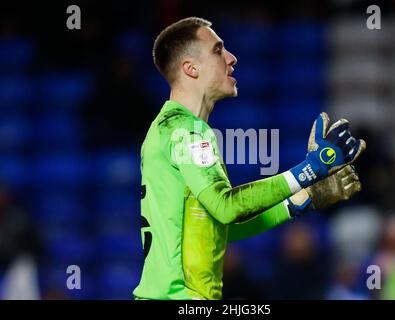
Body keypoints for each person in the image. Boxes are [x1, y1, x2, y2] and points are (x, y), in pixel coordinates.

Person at [133, 17, 366, 300]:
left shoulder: (169, 128)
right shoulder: (185, 130)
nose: (232, 58)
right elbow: (226, 206)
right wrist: (311, 169)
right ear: (190, 68)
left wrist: (301, 200)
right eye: (218, 50)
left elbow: (221, 226)